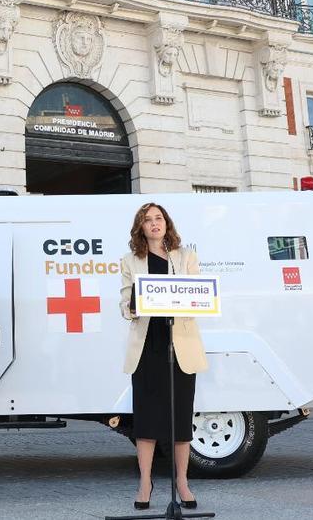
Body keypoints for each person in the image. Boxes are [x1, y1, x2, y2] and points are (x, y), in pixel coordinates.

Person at [119, 202, 208, 511]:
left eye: (158, 218)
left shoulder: (186, 257)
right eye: (147, 220)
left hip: (179, 347)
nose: (154, 223)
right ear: (140, 227)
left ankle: (182, 482)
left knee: (180, 420)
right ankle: (145, 482)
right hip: (147, 348)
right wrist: (131, 306)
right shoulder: (130, 261)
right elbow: (124, 304)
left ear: (167, 224)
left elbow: (199, 296)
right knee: (146, 420)